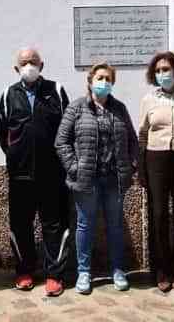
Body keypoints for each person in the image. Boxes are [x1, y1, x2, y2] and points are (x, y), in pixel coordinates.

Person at [55, 62, 138, 295]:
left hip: (114, 179)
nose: (104, 83)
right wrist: (74, 167)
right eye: (100, 78)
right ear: (90, 81)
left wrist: (131, 166)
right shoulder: (77, 108)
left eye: (108, 79)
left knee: (115, 226)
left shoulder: (119, 108)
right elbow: (61, 142)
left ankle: (118, 270)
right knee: (85, 225)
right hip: (87, 180)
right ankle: (84, 272)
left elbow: (132, 140)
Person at [0, 48, 70, 296]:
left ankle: (54, 275)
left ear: (42, 64)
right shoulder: (8, 95)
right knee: (20, 225)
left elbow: (66, 130)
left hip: (52, 174)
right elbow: (2, 132)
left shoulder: (56, 91)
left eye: (33, 61)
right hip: (20, 176)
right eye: (24, 62)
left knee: (53, 225)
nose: (29, 65)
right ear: (16, 68)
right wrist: (15, 156)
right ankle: (25, 271)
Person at [138, 51, 174, 292]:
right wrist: (141, 168)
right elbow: (142, 135)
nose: (163, 74)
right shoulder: (148, 100)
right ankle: (161, 271)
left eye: (167, 69)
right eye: (159, 71)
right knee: (159, 214)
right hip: (156, 158)